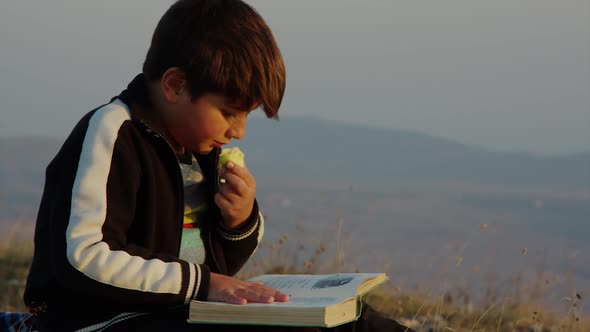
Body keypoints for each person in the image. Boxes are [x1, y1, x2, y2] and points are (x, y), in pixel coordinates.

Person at [23, 1, 412, 331]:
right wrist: (204, 284)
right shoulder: (114, 132)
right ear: (175, 86)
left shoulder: (200, 149)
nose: (238, 131)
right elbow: (84, 258)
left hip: (181, 311)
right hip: (97, 320)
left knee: (348, 320)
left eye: (246, 115)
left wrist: (237, 223)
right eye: (229, 111)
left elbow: (217, 264)